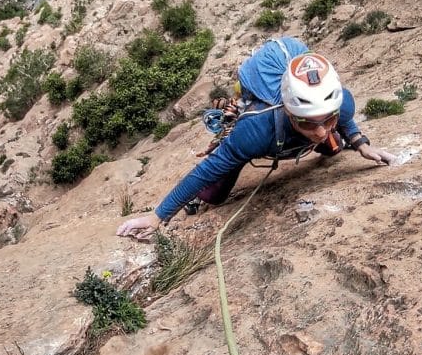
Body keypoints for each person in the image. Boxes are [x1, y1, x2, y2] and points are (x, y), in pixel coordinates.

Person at [117, 37, 396, 240]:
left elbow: (342, 117)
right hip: (256, 134)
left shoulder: (342, 104)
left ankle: (318, 135)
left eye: (328, 119)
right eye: (308, 122)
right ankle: (224, 161)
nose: (321, 130)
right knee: (214, 195)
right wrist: (158, 216)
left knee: (333, 146)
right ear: (289, 111)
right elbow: (206, 170)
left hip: (295, 124)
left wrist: (360, 143)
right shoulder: (255, 130)